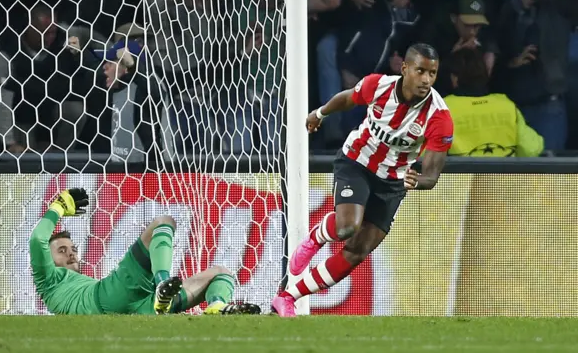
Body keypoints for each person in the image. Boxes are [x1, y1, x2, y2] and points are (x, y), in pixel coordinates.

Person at [271, 43, 454, 317]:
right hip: (357, 162)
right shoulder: (378, 86)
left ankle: (287, 297)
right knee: (347, 227)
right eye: (421, 71)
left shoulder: (439, 116)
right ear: (405, 69)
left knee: (358, 251)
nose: (426, 80)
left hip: (393, 182)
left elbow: (432, 173)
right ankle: (315, 238)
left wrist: (419, 180)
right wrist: (320, 113)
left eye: (433, 73)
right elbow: (348, 98)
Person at [30, 188, 260, 315]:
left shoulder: (78, 284)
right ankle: (162, 283)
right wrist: (58, 207)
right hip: (108, 298)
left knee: (221, 273)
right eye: (61, 250)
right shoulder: (47, 279)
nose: (71, 254)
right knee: (163, 222)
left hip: (142, 308)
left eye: (73, 249)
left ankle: (216, 307)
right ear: (46, 260)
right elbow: (37, 238)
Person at [444, 48, 544, 157]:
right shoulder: (506, 105)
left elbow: (425, 155)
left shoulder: (443, 109)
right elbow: (531, 149)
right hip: (503, 173)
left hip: (462, 174)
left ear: (454, 78)